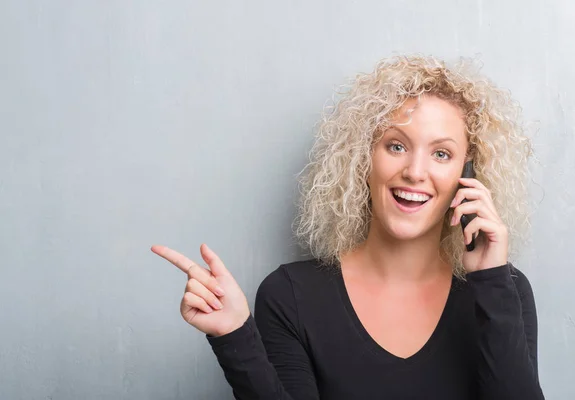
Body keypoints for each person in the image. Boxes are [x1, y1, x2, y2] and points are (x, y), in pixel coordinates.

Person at [151, 55, 545, 399]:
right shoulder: (291, 295)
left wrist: (492, 281)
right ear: (363, 158)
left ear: (467, 173)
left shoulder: (504, 293)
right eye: (396, 145)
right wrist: (235, 335)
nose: (415, 172)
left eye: (441, 153)